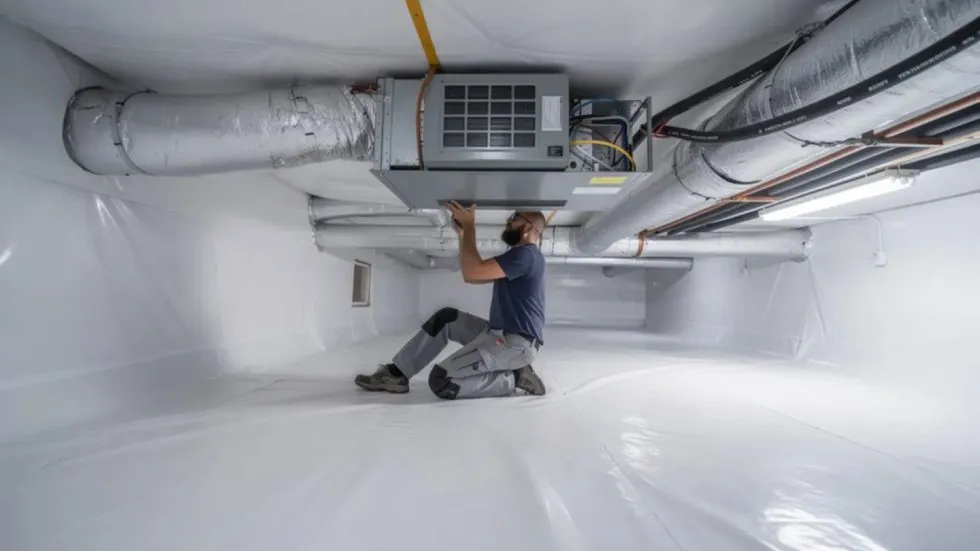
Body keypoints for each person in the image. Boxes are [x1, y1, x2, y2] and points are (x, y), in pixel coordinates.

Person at [355, 201, 547, 399]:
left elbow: (473, 271)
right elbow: (473, 276)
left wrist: (470, 226)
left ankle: (515, 377)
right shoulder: (522, 256)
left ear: (528, 227)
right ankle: (396, 374)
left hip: (514, 344)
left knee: (442, 381)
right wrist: (464, 234)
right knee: (447, 319)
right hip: (499, 334)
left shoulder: (526, 255)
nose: (508, 221)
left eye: (514, 217)